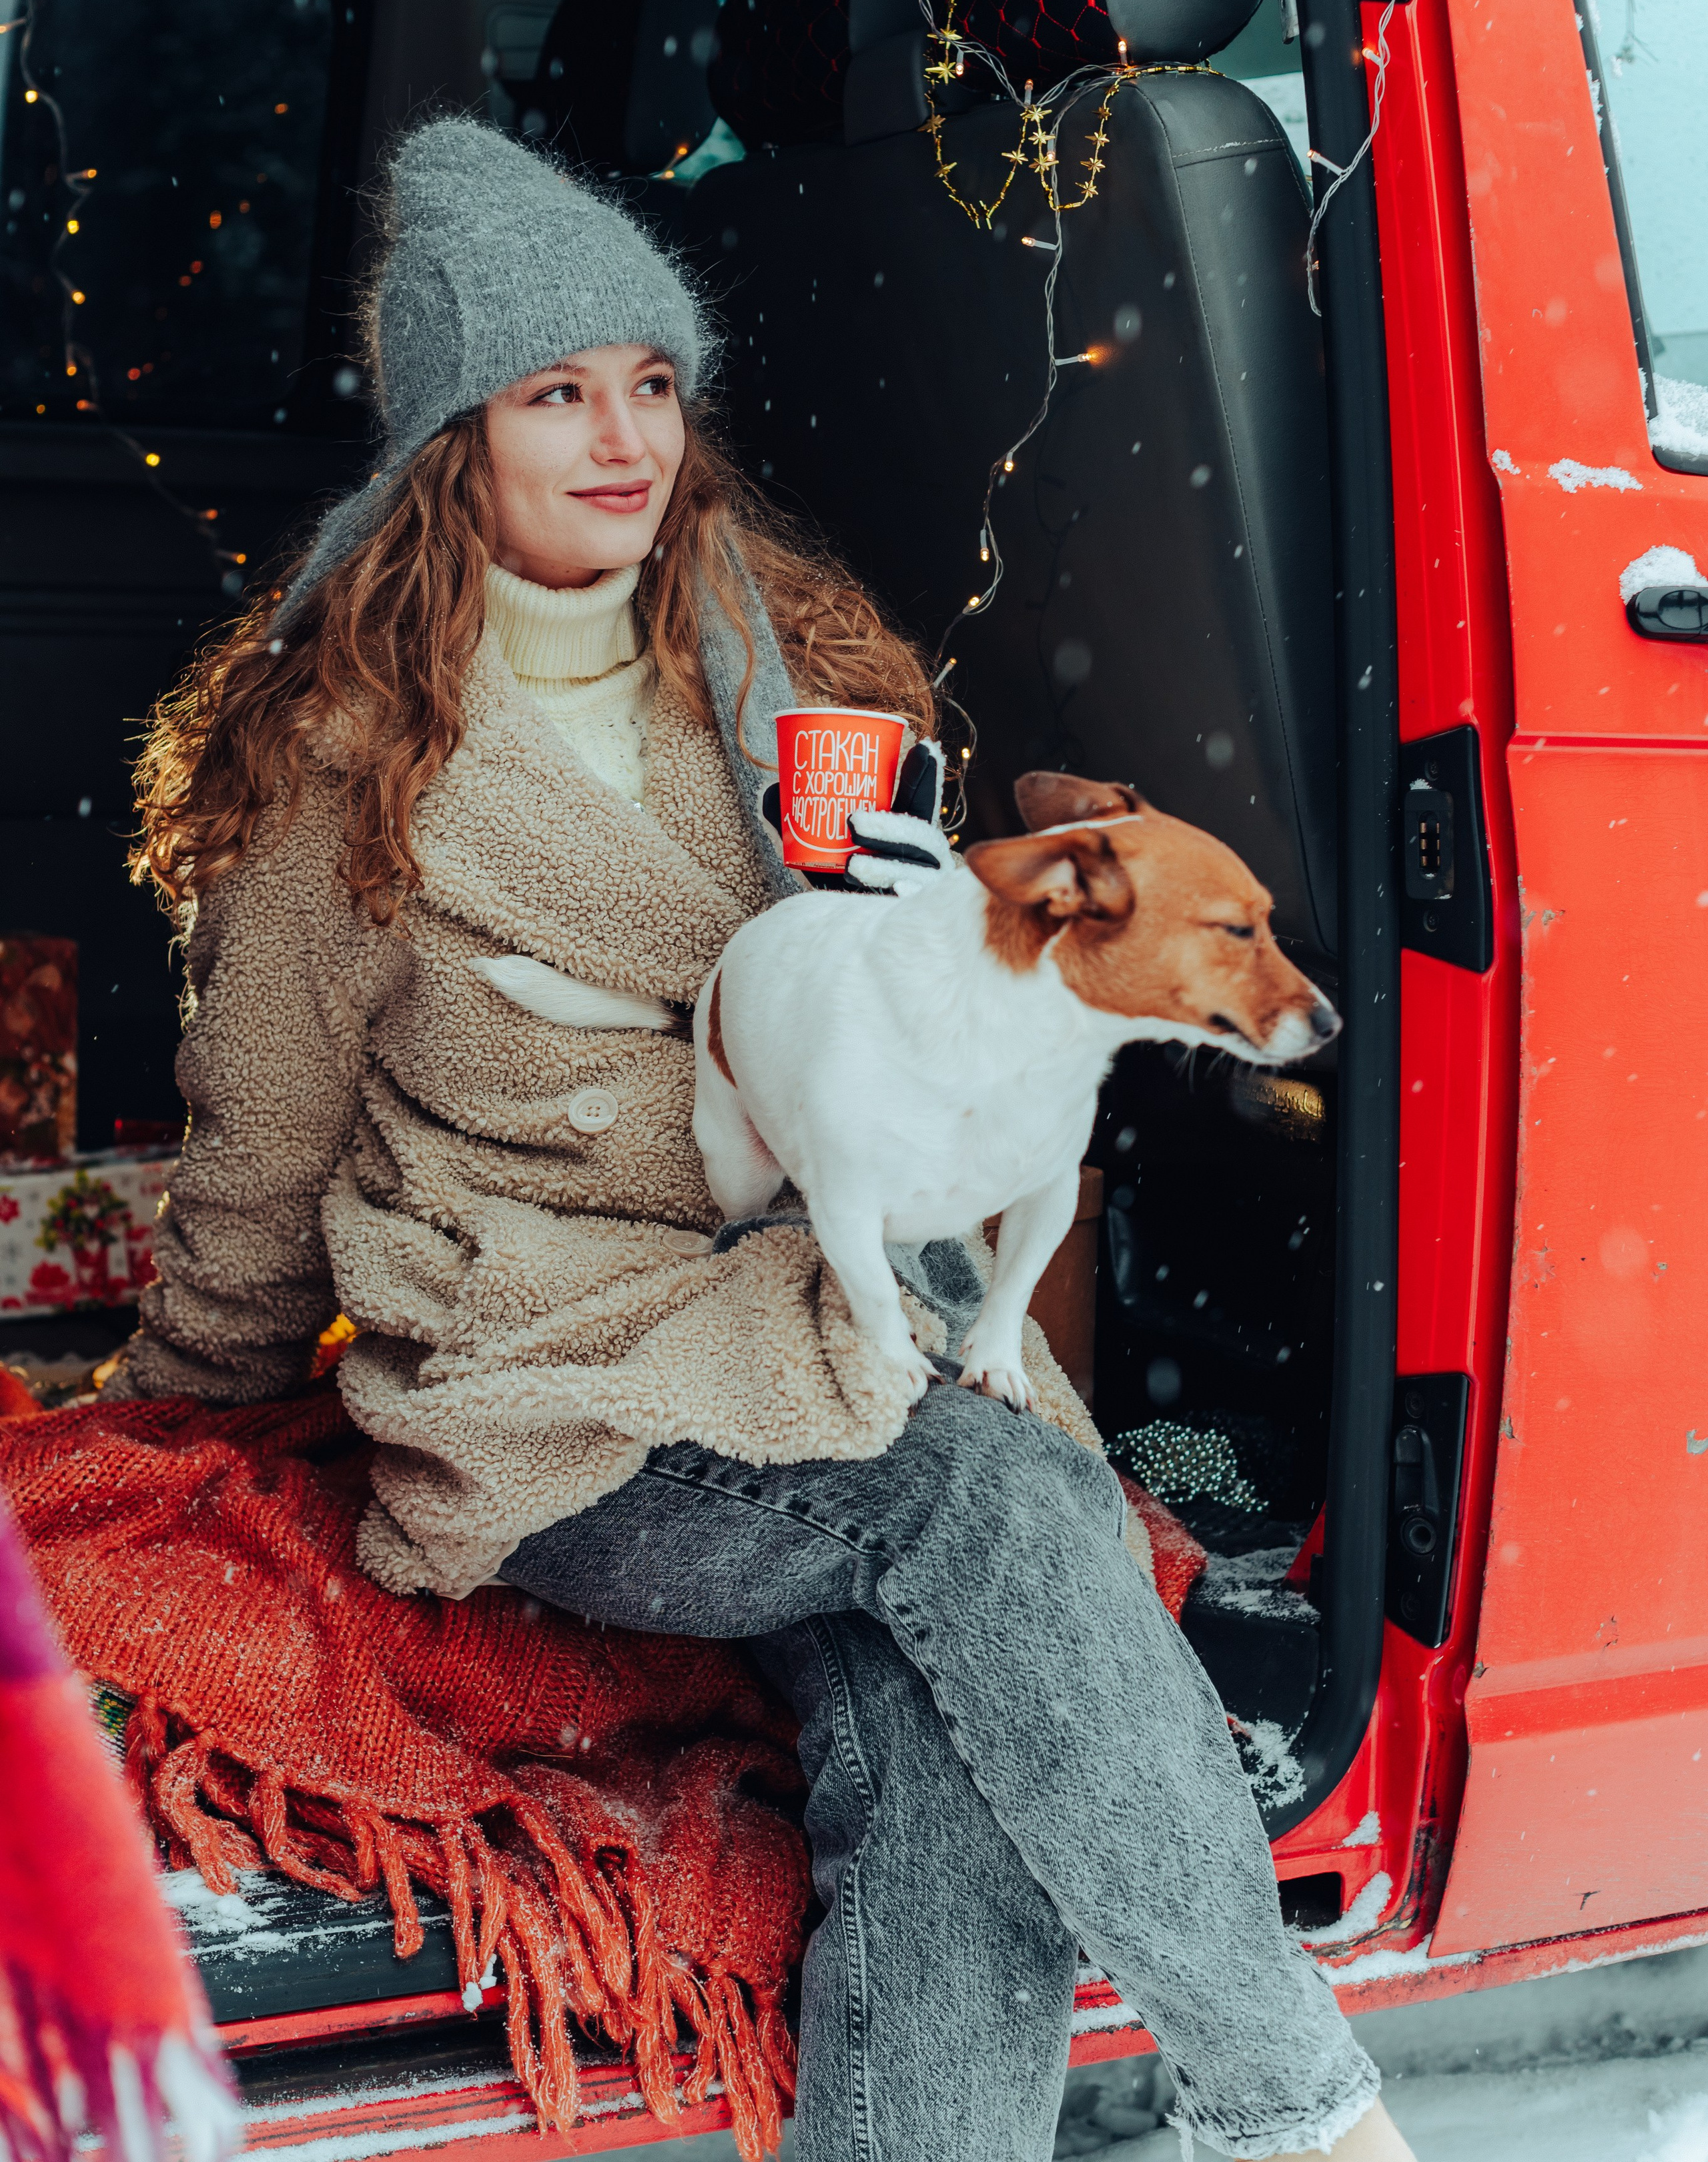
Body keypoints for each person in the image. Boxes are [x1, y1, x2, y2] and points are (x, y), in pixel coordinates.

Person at [123, 117, 1414, 2162]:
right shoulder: (336, 770)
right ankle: (1297, 2098)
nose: (622, 438)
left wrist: (930, 906)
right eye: (556, 394)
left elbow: (941, 1010)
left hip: (822, 1295)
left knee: (952, 1720)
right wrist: (186, 1413)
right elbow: (265, 1143)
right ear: (459, 439)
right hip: (552, 1373)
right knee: (992, 1520)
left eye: (651, 383)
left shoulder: (780, 670)